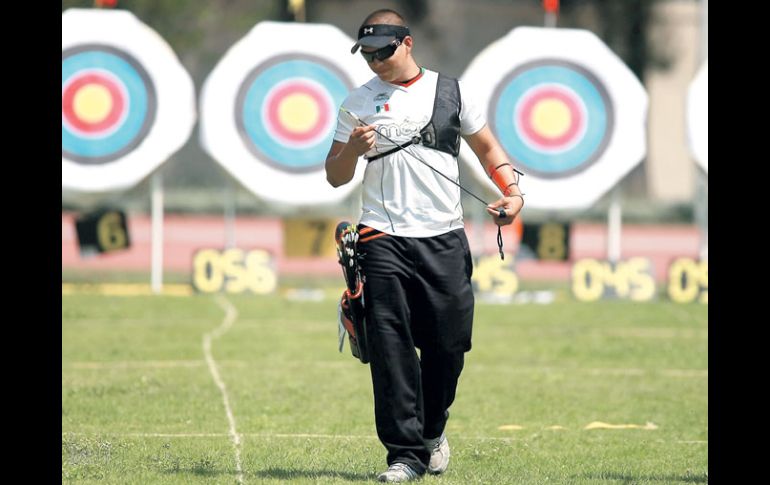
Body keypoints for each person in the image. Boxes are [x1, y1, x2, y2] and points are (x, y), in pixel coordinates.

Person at [325, 8, 524, 483]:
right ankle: (404, 455)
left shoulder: (452, 92)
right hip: (381, 238)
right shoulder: (356, 101)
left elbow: (489, 150)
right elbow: (335, 175)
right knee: (391, 349)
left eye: (383, 51)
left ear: (407, 43)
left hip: (443, 237)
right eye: (367, 53)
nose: (374, 61)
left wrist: (513, 193)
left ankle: (432, 430)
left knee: (449, 345)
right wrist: (352, 148)